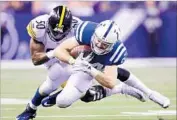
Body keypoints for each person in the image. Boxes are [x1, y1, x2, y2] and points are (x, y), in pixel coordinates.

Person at [16, 5, 145, 120]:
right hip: (54, 60)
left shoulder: (79, 27)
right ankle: (31, 109)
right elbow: (35, 59)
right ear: (48, 24)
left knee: (84, 93)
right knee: (55, 82)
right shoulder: (38, 25)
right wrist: (55, 53)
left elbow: (95, 48)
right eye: (54, 31)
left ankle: (116, 76)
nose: (57, 35)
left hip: (74, 59)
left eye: (61, 32)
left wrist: (95, 65)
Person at [43, 20, 170, 109]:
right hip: (82, 62)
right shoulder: (86, 31)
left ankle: (150, 93)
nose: (98, 44)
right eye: (98, 40)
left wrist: (90, 70)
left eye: (104, 44)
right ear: (95, 35)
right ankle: (122, 89)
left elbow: (110, 82)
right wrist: (73, 61)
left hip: (95, 66)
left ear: (111, 45)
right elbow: (59, 50)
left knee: (111, 72)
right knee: (64, 101)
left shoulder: (117, 51)